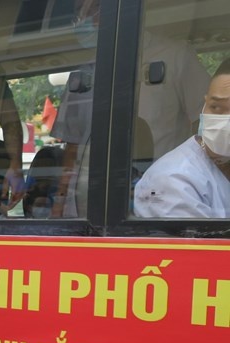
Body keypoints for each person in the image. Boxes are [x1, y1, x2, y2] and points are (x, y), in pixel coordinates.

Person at [51, 0, 210, 217]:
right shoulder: (84, 72)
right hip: (86, 204)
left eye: (96, 6)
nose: (87, 17)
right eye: (80, 9)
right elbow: (72, 145)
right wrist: (59, 203)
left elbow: (205, 122)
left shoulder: (175, 55)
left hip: (161, 198)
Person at [134, 60, 230, 218]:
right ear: (204, 105)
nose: (225, 122)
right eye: (216, 107)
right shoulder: (172, 180)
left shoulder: (225, 164)